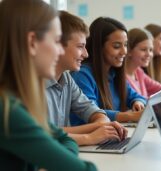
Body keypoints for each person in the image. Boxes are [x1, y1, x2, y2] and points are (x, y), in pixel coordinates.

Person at [0, 0, 96, 170]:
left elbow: (64, 139)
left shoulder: (20, 99)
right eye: (57, 41)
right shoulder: (8, 110)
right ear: (32, 42)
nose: (60, 51)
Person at [46, 11, 127, 146]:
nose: (86, 54)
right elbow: (44, 134)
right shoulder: (31, 84)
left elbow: (95, 112)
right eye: (80, 47)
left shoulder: (66, 78)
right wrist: (91, 136)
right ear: (58, 45)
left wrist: (102, 126)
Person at [71, 17, 146, 123]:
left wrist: (137, 102)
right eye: (116, 46)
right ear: (99, 47)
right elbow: (92, 113)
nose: (124, 51)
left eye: (125, 45)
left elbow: (135, 96)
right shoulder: (82, 75)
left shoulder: (113, 73)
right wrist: (129, 116)